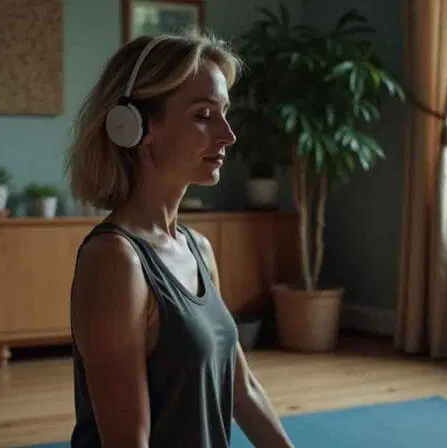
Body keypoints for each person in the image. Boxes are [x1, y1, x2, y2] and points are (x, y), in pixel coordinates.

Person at [64, 30, 295, 448]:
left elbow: (242, 389)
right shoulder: (115, 259)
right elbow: (128, 440)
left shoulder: (198, 248)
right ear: (135, 125)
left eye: (224, 113)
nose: (228, 135)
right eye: (203, 115)